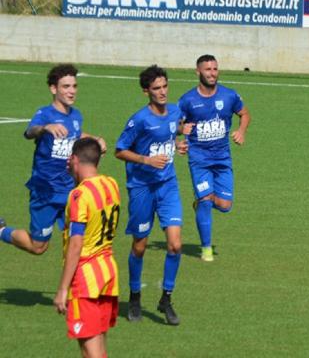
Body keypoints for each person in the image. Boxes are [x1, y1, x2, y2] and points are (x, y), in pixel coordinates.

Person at [0, 64, 106, 254]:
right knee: (38, 246)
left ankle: (76, 282)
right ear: (53, 89)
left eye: (74, 86)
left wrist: (94, 140)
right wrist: (45, 127)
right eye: (66, 86)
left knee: (79, 241)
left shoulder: (76, 115)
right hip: (45, 190)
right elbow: (29, 132)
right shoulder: (44, 114)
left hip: (69, 189)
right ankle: (1, 231)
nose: (72, 91)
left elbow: (74, 133)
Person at [115, 65, 190, 326]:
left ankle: (166, 299)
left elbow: (173, 130)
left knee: (175, 245)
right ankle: (134, 296)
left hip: (168, 185)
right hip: (141, 188)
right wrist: (146, 159)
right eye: (156, 88)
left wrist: (178, 144)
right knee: (140, 246)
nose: (162, 92)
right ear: (146, 91)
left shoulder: (176, 112)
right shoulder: (139, 120)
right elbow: (119, 150)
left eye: (165, 86)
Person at [178, 54, 251, 262]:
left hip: (222, 160)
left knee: (225, 206)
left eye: (215, 69)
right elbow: (173, 125)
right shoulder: (188, 100)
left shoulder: (229, 96)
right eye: (208, 69)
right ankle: (206, 248)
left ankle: (201, 203)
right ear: (198, 72)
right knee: (206, 201)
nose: (212, 73)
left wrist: (241, 131)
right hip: (199, 159)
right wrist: (182, 131)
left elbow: (245, 114)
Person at [52, 137, 120, 358]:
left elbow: (76, 244)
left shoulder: (79, 196)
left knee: (90, 350)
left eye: (69, 161)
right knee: (98, 347)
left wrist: (63, 289)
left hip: (86, 279)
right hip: (108, 273)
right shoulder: (111, 184)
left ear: (74, 159)